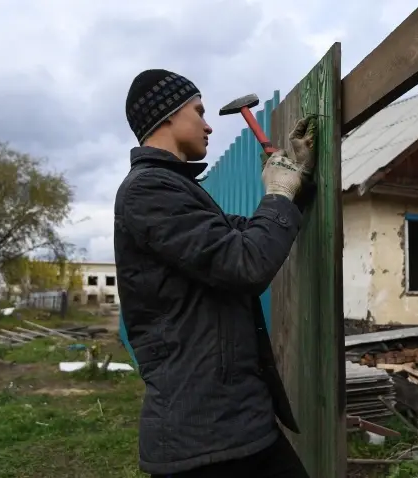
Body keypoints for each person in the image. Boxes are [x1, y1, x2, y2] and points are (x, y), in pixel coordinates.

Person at [114, 69, 316, 478]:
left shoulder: (173, 188)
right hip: (204, 436)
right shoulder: (148, 191)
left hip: (231, 422)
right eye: (198, 111)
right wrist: (278, 193)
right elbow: (245, 263)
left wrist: (296, 184)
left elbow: (246, 232)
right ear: (167, 116)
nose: (208, 125)